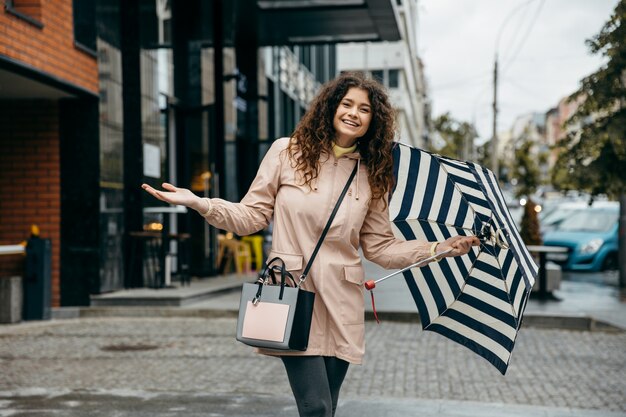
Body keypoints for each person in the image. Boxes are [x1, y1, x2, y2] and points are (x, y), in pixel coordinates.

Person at [142, 72, 479, 417]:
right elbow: (250, 216)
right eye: (347, 103)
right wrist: (202, 203)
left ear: (373, 120)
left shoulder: (373, 173)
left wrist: (439, 248)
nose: (354, 113)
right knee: (315, 406)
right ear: (331, 107)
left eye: (364, 109)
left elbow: (381, 248)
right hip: (293, 295)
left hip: (342, 301)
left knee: (327, 407)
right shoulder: (286, 152)